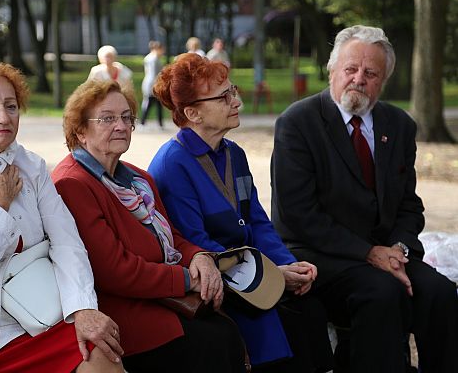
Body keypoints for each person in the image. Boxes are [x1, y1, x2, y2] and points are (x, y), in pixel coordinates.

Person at [0, 54, 124, 373]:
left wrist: (83, 308)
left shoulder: (31, 165)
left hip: (40, 319)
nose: (3, 117)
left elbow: (67, 243)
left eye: (11, 106)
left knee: (102, 352)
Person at [271, 25, 458, 373]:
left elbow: (408, 206)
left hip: (386, 252)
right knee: (381, 293)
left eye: (370, 73)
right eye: (350, 69)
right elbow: (299, 215)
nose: (359, 79)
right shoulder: (297, 123)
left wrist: (399, 251)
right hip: (320, 255)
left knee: (441, 294)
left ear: (383, 81)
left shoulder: (399, 125)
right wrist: (369, 254)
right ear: (332, 70)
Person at [147, 53, 333, 373]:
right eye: (224, 96)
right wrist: (272, 278)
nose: (237, 102)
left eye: (233, 91)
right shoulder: (173, 164)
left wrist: (287, 265)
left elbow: (257, 220)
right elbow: (195, 244)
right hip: (221, 284)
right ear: (192, 113)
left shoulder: (234, 153)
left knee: (311, 304)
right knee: (286, 322)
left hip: (251, 272)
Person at [51, 79, 247, 373]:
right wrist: (187, 279)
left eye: (126, 117)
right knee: (211, 339)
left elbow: (173, 237)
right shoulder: (73, 183)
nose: (120, 125)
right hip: (124, 309)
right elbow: (114, 271)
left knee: (229, 327)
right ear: (80, 130)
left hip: (163, 297)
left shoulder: (138, 179)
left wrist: (200, 258)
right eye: (107, 118)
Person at [141, 40, 165, 127]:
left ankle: (159, 123)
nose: (163, 52)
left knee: (157, 104)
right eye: (162, 49)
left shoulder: (150, 57)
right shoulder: (154, 59)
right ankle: (143, 122)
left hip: (151, 83)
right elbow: (154, 74)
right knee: (149, 103)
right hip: (152, 84)